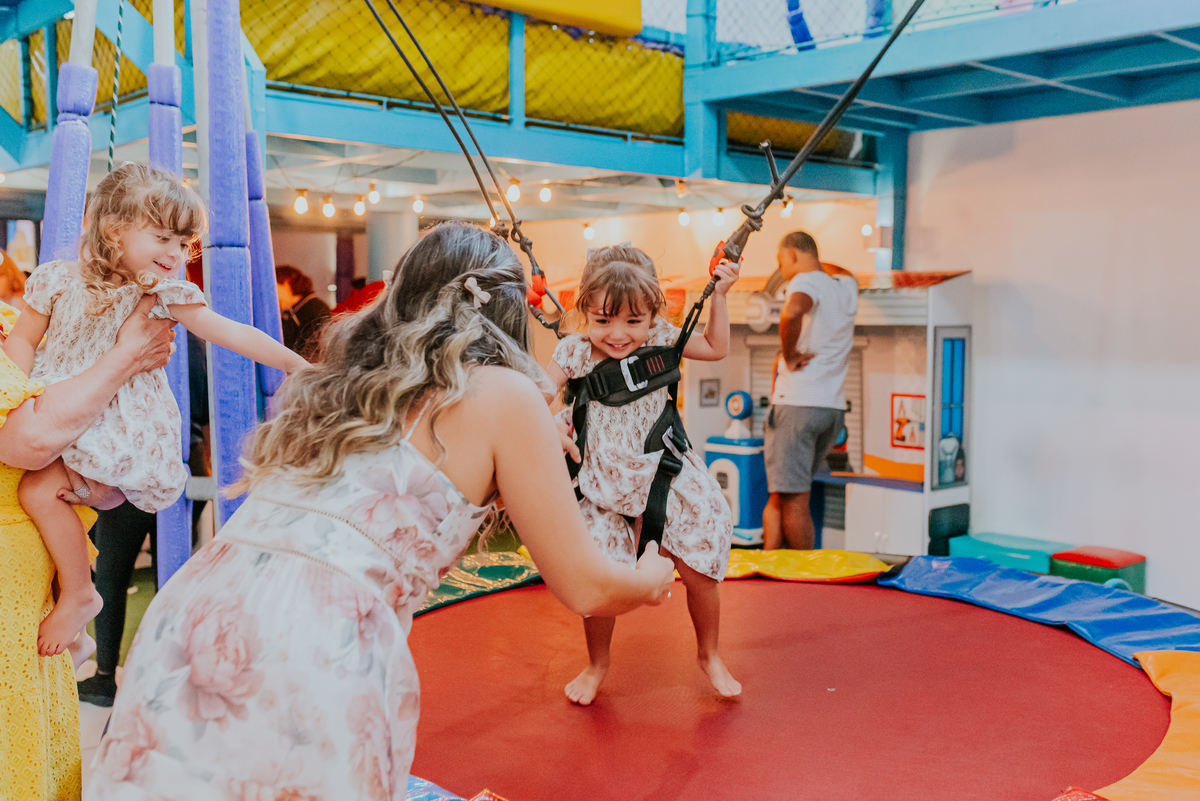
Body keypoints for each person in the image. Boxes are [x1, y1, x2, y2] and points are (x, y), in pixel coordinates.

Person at [86, 222, 675, 798]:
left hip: (196, 605)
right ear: (506, 312)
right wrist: (649, 579)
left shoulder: (344, 381)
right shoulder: (504, 392)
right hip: (319, 631)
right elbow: (587, 587)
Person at [2, 163, 308, 665]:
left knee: (40, 492)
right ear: (113, 229)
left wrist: (295, 363)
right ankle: (76, 617)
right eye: (162, 237)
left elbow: (225, 330)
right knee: (42, 503)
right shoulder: (55, 279)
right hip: (61, 408)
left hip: (114, 425)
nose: (175, 253)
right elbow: (23, 339)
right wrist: (12, 393)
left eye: (183, 241)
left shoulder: (159, 293)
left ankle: (82, 595)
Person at [545, 245, 741, 705]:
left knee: (701, 564)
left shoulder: (663, 338)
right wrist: (548, 424)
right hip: (603, 482)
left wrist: (720, 296)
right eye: (603, 320)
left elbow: (715, 348)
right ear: (585, 311)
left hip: (661, 468)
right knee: (599, 577)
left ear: (652, 313)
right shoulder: (574, 351)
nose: (618, 335)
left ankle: (709, 654)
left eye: (633, 322)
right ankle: (597, 663)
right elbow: (534, 392)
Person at [0, 289, 175, 799]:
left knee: (33, 724)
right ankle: (83, 613)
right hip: (20, 565)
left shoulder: (23, 322)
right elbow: (25, 441)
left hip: (32, 568)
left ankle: (81, 605)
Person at [762, 231, 858, 551]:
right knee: (781, 494)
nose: (783, 271)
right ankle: (769, 566)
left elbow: (791, 312)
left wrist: (789, 357)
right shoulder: (846, 287)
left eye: (781, 262)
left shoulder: (805, 282)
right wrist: (812, 259)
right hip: (831, 409)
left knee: (794, 500)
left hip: (799, 404)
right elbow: (842, 271)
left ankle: (804, 577)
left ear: (791, 255)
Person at [276, 264, 332, 357]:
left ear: (286, 282)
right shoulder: (291, 310)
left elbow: (314, 352)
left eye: (274, 287)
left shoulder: (316, 308)